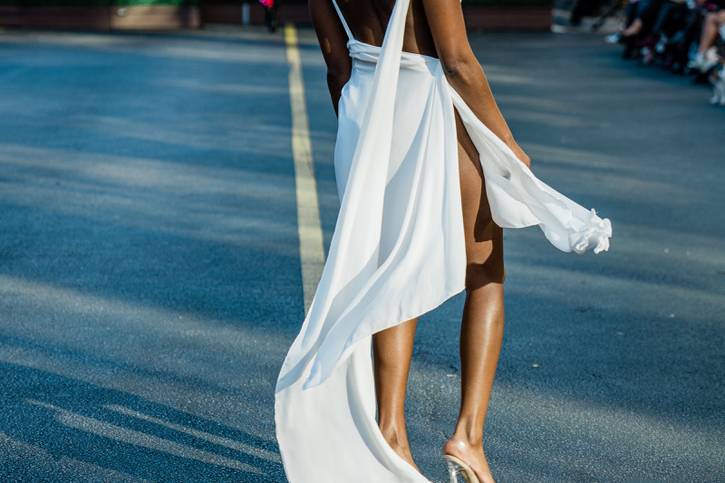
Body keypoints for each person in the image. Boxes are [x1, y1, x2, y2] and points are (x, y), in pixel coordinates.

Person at [274, 1, 612, 482]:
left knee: (391, 271)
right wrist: (508, 143)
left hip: (366, 115)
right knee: (486, 272)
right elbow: (456, 61)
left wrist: (364, 139)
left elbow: (337, 67)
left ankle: (391, 435)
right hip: (430, 111)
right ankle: (468, 438)